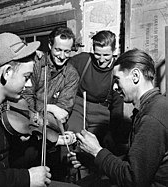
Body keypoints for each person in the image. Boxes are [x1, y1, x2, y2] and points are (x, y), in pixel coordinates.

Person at [70, 48, 168, 187]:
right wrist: (92, 159)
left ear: (135, 76)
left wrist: (97, 151)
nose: (114, 87)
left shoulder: (151, 117)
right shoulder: (154, 106)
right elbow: (133, 163)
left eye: (117, 80)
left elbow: (133, 179)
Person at [0, 32, 51, 187]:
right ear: (7, 72)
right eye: (26, 76)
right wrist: (27, 177)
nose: (29, 84)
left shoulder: (0, 108)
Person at [67, 30, 124, 151]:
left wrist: (111, 132)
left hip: (101, 112)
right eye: (98, 54)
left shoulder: (118, 70)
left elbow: (117, 106)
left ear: (114, 51)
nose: (101, 60)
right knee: (72, 141)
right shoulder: (82, 60)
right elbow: (61, 67)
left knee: (94, 150)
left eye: (106, 55)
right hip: (78, 106)